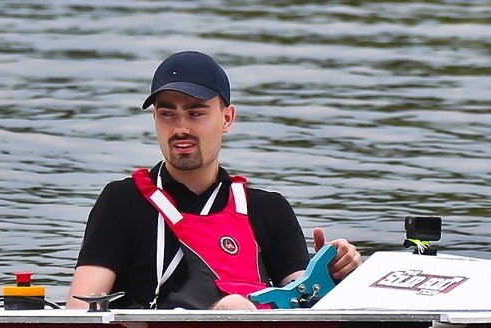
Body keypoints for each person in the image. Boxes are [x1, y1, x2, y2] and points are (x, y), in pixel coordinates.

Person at [67, 51, 361, 310]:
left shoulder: (270, 210)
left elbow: (304, 299)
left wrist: (335, 272)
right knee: (234, 306)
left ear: (227, 119)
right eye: (168, 114)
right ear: (154, 118)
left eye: (196, 113)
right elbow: (80, 310)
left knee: (238, 305)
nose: (181, 128)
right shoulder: (121, 202)